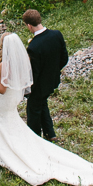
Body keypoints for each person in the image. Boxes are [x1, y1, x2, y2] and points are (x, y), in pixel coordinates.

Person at [0, 32, 93, 186]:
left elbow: (1, 89)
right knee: (10, 121)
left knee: (0, 120)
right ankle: (7, 149)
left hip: (4, 99)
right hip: (12, 98)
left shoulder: (3, 65)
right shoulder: (21, 60)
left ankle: (4, 153)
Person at [23, 8, 68, 140]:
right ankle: (50, 133)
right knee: (42, 104)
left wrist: (29, 89)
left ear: (29, 25)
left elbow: (34, 72)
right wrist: (54, 70)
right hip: (53, 80)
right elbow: (64, 58)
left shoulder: (34, 46)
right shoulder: (56, 35)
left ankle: (35, 139)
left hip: (39, 86)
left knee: (33, 112)